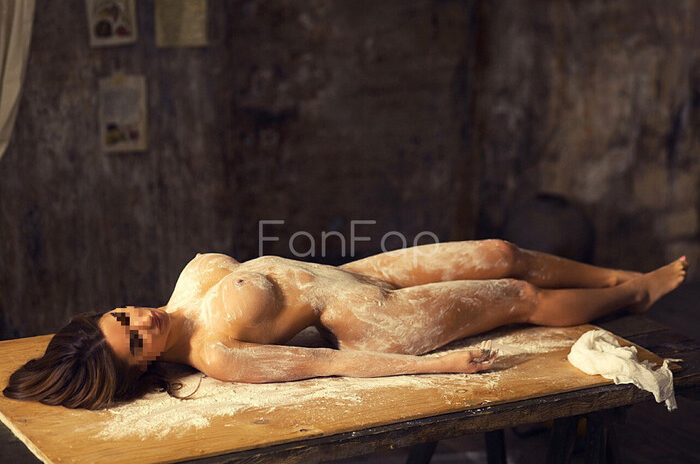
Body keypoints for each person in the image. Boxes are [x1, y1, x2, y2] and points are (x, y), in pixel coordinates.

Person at [3, 240, 689, 409]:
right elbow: (326, 364)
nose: (140, 319)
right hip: (379, 323)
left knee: (501, 252)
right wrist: (435, 366)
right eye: (135, 339)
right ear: (144, 364)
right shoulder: (217, 354)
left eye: (122, 316)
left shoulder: (182, 292)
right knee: (516, 294)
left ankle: (616, 277)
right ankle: (635, 296)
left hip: (356, 274)